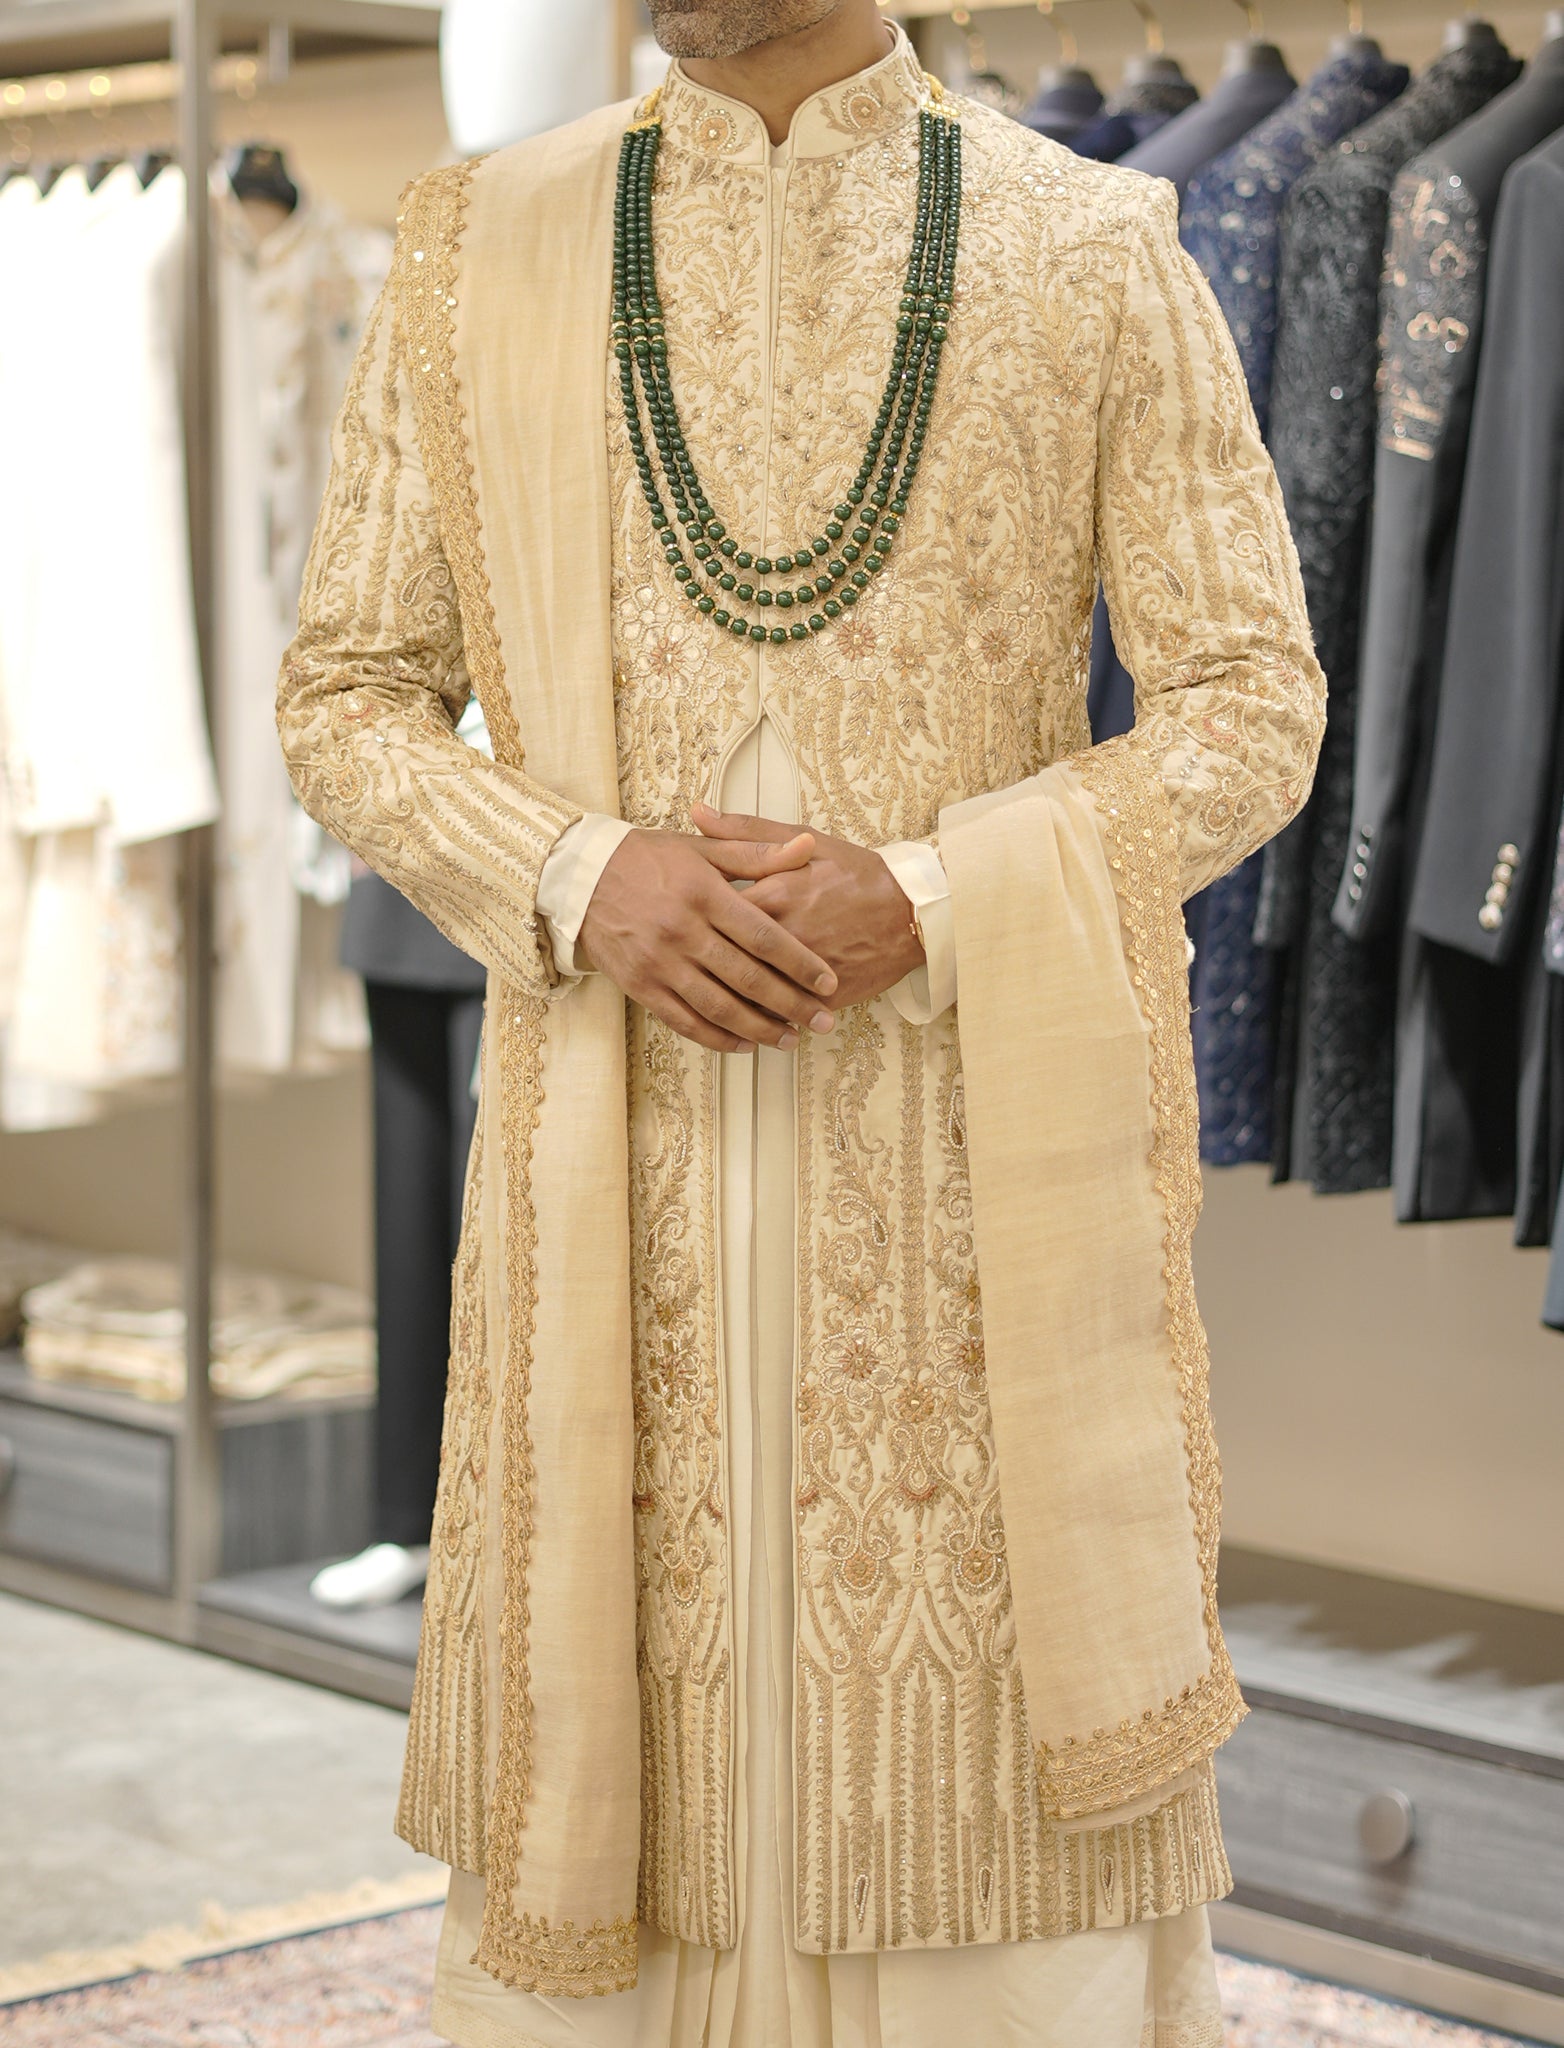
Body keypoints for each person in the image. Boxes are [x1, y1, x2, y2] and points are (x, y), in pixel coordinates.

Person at [277, 4, 1324, 2043]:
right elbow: (346, 695)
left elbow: (1249, 707)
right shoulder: (479, 242)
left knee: (980, 1855)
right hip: (611, 1181)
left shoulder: (1086, 241)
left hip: (956, 1218)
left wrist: (927, 897)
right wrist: (576, 872)